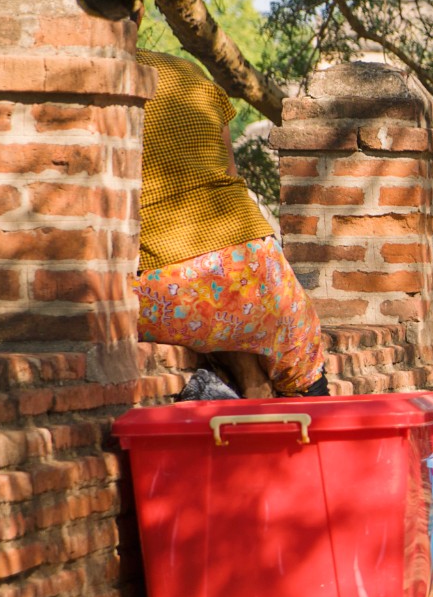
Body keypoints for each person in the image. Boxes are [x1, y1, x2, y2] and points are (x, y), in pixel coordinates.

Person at [134, 50, 326, 399]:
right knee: (305, 377)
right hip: (254, 266)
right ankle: (257, 386)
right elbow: (230, 171)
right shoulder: (188, 70)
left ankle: (248, 382)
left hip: (168, 287)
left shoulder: (90, 80)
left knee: (212, 314)